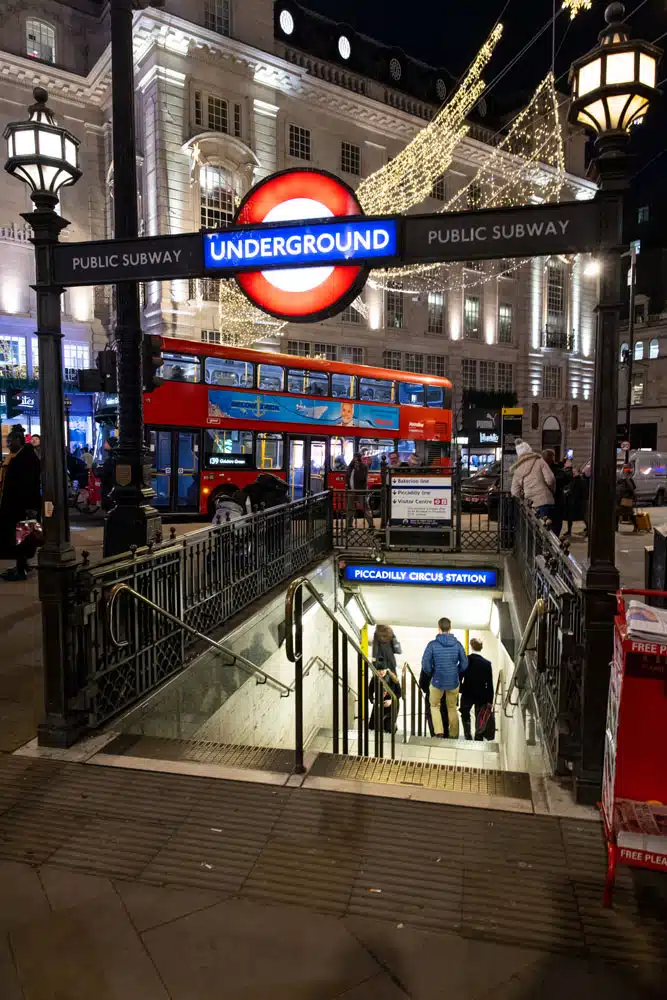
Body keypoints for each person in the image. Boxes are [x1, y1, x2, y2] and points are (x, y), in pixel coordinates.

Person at [0, 426, 41, 581]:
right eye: (7, 441)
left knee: (22, 537)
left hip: (23, 505)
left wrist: (30, 507)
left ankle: (21, 569)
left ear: (19, 440)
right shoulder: (15, 456)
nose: (8, 444)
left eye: (10, 441)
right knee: (18, 537)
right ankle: (21, 565)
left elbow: (28, 484)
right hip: (15, 504)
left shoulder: (26, 458)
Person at [421, 617, 468, 740]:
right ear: (450, 628)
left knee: (434, 705)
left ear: (439, 628)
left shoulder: (432, 645)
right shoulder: (458, 645)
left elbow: (425, 663)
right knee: (452, 707)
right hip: (453, 682)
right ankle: (453, 734)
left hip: (437, 682)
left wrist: (432, 672)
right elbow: (464, 663)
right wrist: (455, 671)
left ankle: (439, 732)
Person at [510, 440, 556, 527]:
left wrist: (523, 498)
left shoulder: (518, 469)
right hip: (545, 500)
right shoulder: (539, 461)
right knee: (549, 532)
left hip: (531, 506)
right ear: (530, 450)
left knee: (535, 534)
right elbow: (551, 479)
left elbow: (514, 492)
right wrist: (551, 490)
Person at [459, 638, 494, 741]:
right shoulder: (487, 663)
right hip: (482, 695)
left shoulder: (466, 660)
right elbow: (490, 683)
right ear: (481, 648)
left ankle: (467, 735)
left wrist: (460, 689)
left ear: (471, 645)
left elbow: (459, 676)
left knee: (465, 713)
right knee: (480, 715)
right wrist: (490, 700)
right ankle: (478, 736)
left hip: (467, 692)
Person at [542, 449, 569, 539]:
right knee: (546, 526)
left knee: (554, 527)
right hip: (545, 502)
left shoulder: (557, 470)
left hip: (554, 502)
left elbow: (565, 479)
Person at [368, 662, 402, 733]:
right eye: (379, 670)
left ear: (386, 670)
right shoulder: (374, 679)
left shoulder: (393, 678)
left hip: (392, 705)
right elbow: (369, 692)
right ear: (376, 671)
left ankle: (392, 725)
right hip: (379, 705)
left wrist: (391, 701)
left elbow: (399, 693)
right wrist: (372, 700)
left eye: (383, 670)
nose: (381, 672)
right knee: (374, 727)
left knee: (389, 729)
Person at [346, 452, 373, 531]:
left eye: (357, 458)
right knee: (350, 509)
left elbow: (362, 478)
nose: (355, 460)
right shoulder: (350, 467)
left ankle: (371, 525)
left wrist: (358, 468)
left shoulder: (363, 467)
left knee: (365, 508)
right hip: (351, 491)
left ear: (360, 459)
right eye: (354, 458)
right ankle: (349, 526)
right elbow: (347, 477)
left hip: (360, 491)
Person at [616, 466, 637, 531]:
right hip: (623, 499)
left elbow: (631, 490)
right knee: (619, 513)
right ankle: (636, 526)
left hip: (624, 500)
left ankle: (636, 526)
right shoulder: (627, 480)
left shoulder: (626, 481)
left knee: (627, 513)